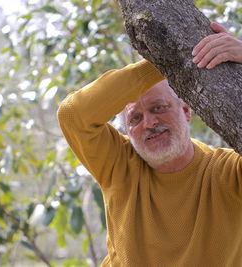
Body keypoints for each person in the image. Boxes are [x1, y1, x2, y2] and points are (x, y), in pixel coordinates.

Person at [57, 21, 242, 266]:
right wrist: (170, 60)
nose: (149, 123)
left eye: (159, 108)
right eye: (135, 118)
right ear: (127, 131)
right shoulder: (119, 164)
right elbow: (73, 114)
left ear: (186, 111)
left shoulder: (227, 172)